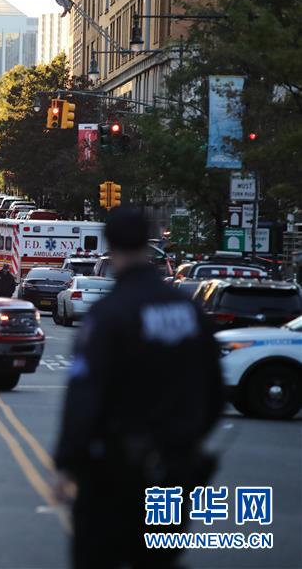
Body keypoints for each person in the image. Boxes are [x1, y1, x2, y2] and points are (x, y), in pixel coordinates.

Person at [53, 206, 223, 569]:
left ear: (110, 245)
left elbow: (84, 393)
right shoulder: (189, 311)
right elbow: (214, 389)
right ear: (148, 243)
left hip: (114, 473)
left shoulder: (111, 314)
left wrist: (68, 462)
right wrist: (187, 441)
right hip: (176, 470)